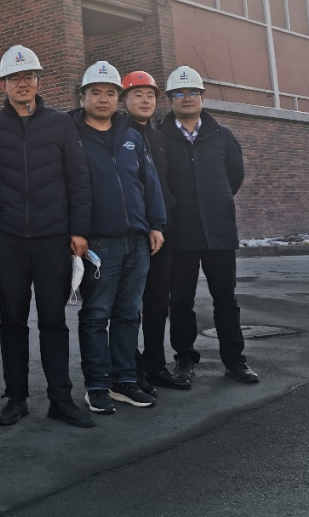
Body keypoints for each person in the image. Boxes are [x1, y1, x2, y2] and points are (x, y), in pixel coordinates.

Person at [0, 45, 95, 429]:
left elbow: (78, 179)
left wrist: (78, 230)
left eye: (29, 76)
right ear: (3, 84)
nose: (22, 83)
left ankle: (61, 398)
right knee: (12, 320)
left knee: (53, 320)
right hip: (6, 238)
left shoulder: (61, 124)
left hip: (52, 236)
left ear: (39, 81)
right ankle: (16, 397)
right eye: (15, 77)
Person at [70, 61, 166, 415]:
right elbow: (66, 188)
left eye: (110, 93)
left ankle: (124, 381)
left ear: (118, 98)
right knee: (96, 315)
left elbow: (149, 183)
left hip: (137, 240)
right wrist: (75, 231)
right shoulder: (72, 137)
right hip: (98, 242)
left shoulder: (132, 137)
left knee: (128, 314)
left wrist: (156, 224)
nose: (103, 99)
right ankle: (97, 385)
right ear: (83, 97)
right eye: (95, 92)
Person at [157, 66, 260, 385]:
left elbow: (234, 176)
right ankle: (185, 359)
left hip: (219, 231)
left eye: (193, 92)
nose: (187, 98)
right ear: (170, 98)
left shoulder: (222, 136)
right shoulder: (160, 138)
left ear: (202, 96)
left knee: (226, 300)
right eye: (179, 93)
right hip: (180, 233)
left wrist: (216, 201)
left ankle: (235, 360)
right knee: (180, 301)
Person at [119, 70, 189, 392]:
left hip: (163, 230)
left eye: (150, 96)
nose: (145, 101)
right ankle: (130, 368)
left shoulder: (161, 138)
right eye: (138, 95)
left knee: (158, 302)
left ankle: (155, 365)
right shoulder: (116, 134)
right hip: (131, 232)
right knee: (127, 305)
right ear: (124, 100)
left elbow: (168, 183)